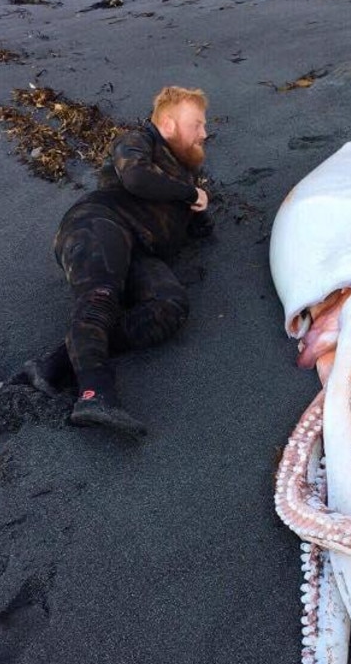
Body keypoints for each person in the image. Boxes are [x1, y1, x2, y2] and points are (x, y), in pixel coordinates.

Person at [15, 85, 213, 436]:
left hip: (141, 249)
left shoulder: (185, 174)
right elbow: (136, 178)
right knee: (101, 296)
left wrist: (199, 212)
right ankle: (96, 392)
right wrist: (189, 193)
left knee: (170, 306)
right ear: (168, 125)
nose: (204, 133)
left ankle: (53, 365)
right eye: (196, 124)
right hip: (98, 224)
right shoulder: (137, 141)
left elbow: (189, 223)